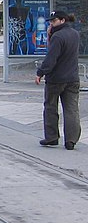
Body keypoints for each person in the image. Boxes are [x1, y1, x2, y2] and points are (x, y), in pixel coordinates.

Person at [35, 10, 81, 150]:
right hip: (73, 78)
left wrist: (40, 72)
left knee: (50, 107)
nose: (51, 24)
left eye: (54, 21)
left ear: (62, 20)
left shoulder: (58, 37)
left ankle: (52, 137)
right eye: (50, 21)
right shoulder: (75, 34)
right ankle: (71, 140)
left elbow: (51, 59)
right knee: (71, 109)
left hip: (56, 79)